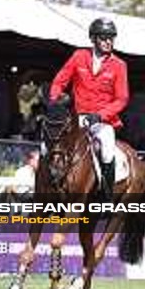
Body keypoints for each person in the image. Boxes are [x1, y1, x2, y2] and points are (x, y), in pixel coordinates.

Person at [49, 17, 129, 197]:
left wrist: (100, 116)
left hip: (102, 121)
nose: (108, 42)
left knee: (107, 151)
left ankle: (106, 196)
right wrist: (55, 100)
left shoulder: (119, 65)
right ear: (93, 39)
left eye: (111, 38)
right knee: (51, 142)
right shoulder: (79, 57)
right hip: (76, 117)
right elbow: (59, 81)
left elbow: (121, 99)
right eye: (103, 37)